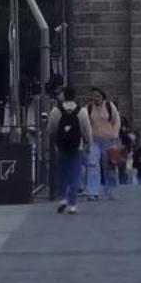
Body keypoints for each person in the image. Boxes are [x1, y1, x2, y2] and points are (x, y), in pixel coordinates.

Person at [46, 86, 91, 214]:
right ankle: (72, 204)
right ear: (75, 96)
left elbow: (50, 130)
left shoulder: (56, 111)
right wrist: (89, 144)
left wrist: (55, 142)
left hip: (61, 146)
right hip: (77, 147)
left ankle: (62, 199)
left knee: (62, 173)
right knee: (75, 175)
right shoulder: (81, 111)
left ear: (64, 96)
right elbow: (87, 130)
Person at [86, 88, 122, 200]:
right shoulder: (88, 108)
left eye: (97, 96)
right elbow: (85, 123)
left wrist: (114, 136)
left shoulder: (109, 106)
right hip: (94, 140)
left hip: (109, 140)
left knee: (110, 166)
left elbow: (117, 121)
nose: (95, 99)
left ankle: (111, 190)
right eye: (93, 96)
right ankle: (93, 191)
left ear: (102, 96)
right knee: (93, 165)